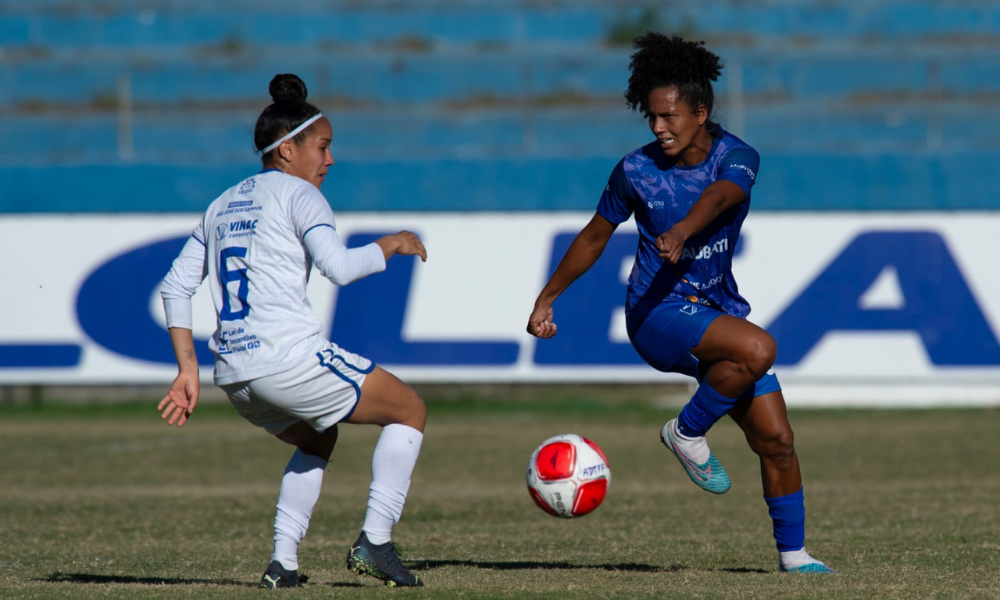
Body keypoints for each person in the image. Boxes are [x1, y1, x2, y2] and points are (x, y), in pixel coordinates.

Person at [526, 33, 835, 574]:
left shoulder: (738, 156)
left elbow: (722, 197)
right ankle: (686, 431)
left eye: (669, 116)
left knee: (778, 440)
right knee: (760, 347)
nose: (658, 127)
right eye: (651, 117)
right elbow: (595, 236)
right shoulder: (634, 171)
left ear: (701, 110)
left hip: (715, 310)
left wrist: (684, 232)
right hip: (658, 312)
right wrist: (546, 299)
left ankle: (794, 556)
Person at [159, 73, 428, 588]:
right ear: (287, 150)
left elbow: (175, 285)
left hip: (236, 375)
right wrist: (391, 244)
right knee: (409, 410)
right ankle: (375, 540)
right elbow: (340, 268)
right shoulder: (299, 195)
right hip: (288, 359)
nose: (329, 160)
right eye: (323, 147)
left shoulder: (222, 204)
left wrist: (186, 369)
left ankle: (283, 564)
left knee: (318, 439)